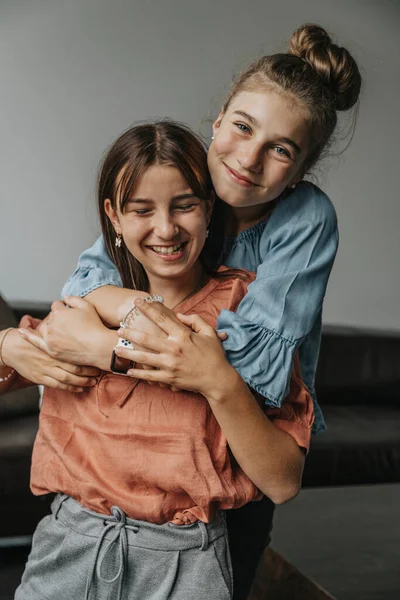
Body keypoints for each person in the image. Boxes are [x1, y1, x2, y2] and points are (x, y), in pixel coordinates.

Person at [36, 23, 360, 600]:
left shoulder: (304, 221)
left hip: (238, 459)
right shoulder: (171, 183)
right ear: (217, 122)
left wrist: (108, 342)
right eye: (241, 127)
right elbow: (81, 294)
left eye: (281, 149)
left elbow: (243, 370)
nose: (249, 158)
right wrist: (97, 324)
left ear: (302, 171)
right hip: (111, 506)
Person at [14, 120, 313, 600]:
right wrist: (8, 343)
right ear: (113, 215)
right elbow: (20, 365)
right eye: (141, 210)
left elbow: (283, 482)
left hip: (185, 567)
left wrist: (219, 382)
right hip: (68, 551)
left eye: (185, 205)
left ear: (209, 207)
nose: (166, 229)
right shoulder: (85, 303)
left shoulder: (246, 314)